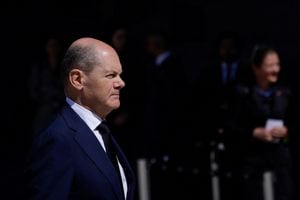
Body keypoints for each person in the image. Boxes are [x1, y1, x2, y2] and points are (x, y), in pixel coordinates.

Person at [25, 37, 136, 200]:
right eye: (111, 75)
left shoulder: (102, 131)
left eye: (119, 75)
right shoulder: (57, 139)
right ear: (77, 79)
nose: (121, 83)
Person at [230, 45, 294, 200]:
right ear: (256, 68)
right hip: (253, 162)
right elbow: (232, 125)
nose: (275, 70)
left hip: (280, 161)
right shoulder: (243, 94)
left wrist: (287, 131)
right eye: (269, 66)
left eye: (277, 64)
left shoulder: (285, 92)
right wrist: (253, 132)